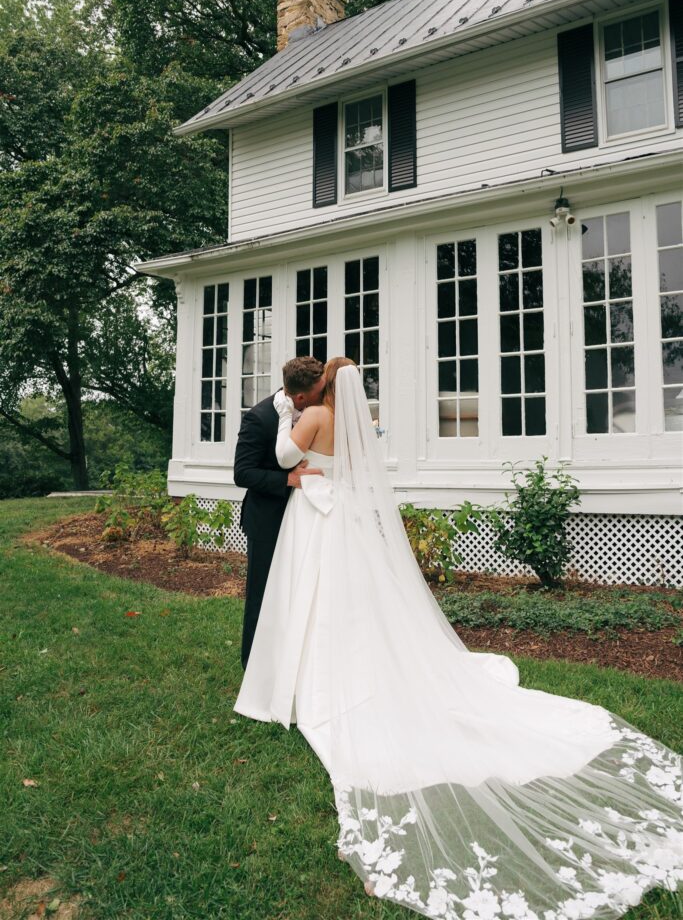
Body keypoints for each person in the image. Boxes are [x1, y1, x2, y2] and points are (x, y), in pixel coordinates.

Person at [234, 359, 683, 919]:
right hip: (340, 514)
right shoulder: (353, 419)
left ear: (317, 387)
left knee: (320, 596)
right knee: (349, 601)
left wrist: (288, 432)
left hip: (318, 516)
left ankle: (313, 678)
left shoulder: (313, 415)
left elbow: (283, 459)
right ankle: (343, 668)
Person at [233, 356, 326, 670]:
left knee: (296, 593)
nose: (324, 394)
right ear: (300, 397)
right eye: (319, 390)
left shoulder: (318, 412)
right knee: (261, 595)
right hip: (267, 520)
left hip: (303, 518)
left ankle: (291, 664)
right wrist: (286, 479)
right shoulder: (259, 418)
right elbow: (242, 473)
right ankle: (253, 667)